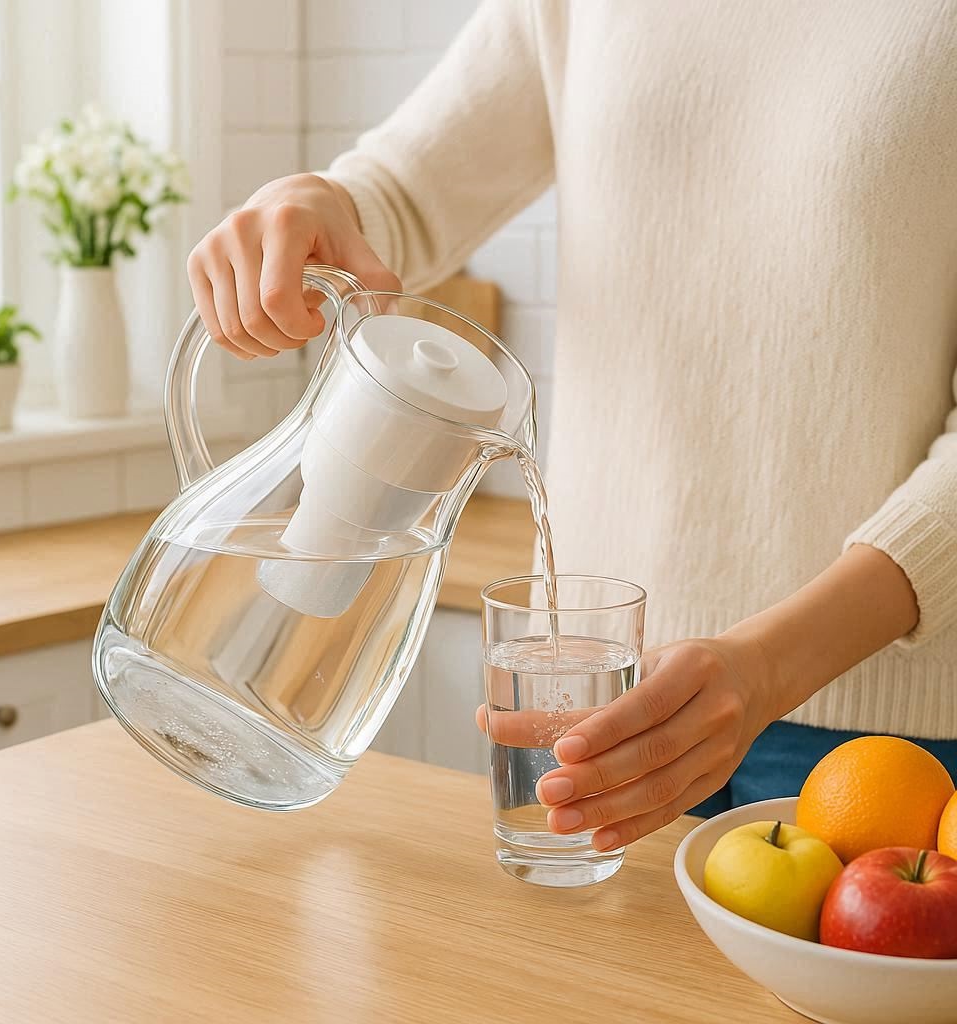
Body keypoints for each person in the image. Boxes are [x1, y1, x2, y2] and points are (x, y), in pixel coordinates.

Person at [188, 2, 957, 853]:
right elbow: (402, 194)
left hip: (879, 738)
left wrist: (768, 664)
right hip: (596, 690)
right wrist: (317, 201)